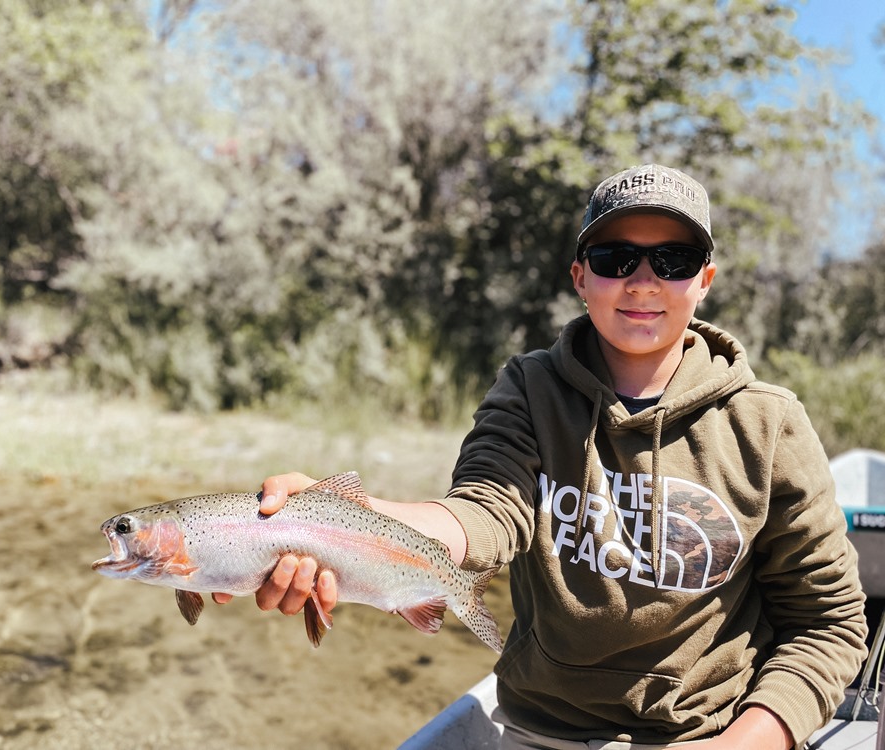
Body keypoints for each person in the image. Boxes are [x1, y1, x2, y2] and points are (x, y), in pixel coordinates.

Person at [211, 164, 869, 749]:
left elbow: (830, 624)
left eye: (672, 259)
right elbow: (484, 513)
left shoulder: (768, 422)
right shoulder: (530, 388)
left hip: (709, 733)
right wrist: (335, 519)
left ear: (705, 280)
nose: (643, 281)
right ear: (581, 276)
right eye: (616, 258)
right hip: (541, 733)